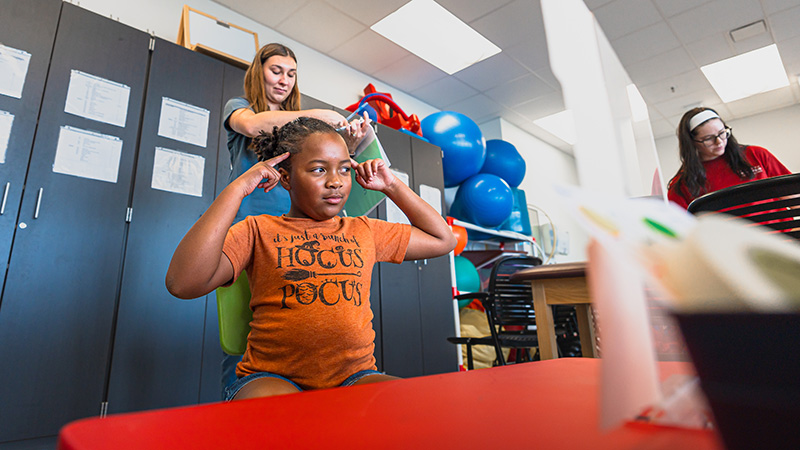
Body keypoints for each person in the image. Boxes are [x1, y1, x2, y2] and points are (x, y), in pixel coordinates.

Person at [166, 117, 456, 400]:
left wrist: (392, 185)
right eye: (319, 170)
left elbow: (443, 239)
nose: (335, 182)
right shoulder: (257, 230)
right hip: (272, 376)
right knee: (288, 420)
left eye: (344, 170)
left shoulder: (364, 230)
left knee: (415, 407)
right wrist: (238, 188)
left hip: (354, 376)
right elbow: (183, 283)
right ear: (286, 178)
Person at [221, 43, 370, 395]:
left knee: (297, 323)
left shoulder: (302, 130)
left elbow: (329, 171)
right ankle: (237, 412)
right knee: (244, 336)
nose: (284, 80)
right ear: (259, 72)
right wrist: (320, 118)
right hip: (251, 238)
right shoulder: (240, 109)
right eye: (276, 71)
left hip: (298, 238)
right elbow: (257, 125)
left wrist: (352, 142)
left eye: (291, 74)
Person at [667, 107, 791, 209]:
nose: (719, 142)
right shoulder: (682, 185)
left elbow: (792, 194)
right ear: (692, 142)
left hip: (782, 235)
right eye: (709, 139)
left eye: (722, 133)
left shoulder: (756, 154)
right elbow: (681, 232)